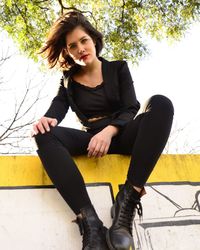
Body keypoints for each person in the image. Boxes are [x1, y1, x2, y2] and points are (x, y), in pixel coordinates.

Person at [32, 10, 174, 250]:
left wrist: (109, 131)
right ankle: (91, 224)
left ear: (94, 39)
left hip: (124, 133)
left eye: (84, 41)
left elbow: (131, 107)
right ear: (67, 51)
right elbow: (57, 108)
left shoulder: (118, 68)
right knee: (43, 134)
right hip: (91, 140)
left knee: (161, 103)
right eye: (72, 46)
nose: (80, 49)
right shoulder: (67, 81)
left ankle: (127, 201)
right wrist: (45, 120)